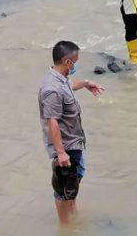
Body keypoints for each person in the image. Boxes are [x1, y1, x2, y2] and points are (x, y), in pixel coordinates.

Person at [38, 40, 104, 225]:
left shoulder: (59, 78)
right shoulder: (52, 89)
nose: (76, 64)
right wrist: (60, 152)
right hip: (65, 144)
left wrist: (85, 83)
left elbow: (67, 86)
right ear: (68, 62)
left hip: (73, 142)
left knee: (75, 175)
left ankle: (72, 209)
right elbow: (52, 121)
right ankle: (65, 225)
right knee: (63, 185)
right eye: (76, 61)